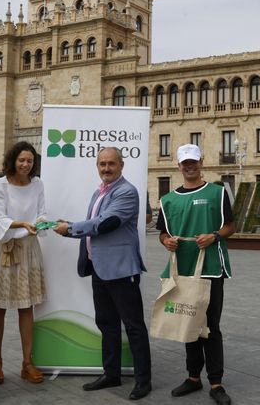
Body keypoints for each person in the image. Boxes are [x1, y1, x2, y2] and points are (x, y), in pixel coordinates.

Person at [53, 147, 151, 401]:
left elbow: (107, 223)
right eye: (102, 164)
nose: (106, 168)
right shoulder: (100, 191)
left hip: (121, 270)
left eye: (111, 164)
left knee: (134, 327)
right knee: (107, 325)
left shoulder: (127, 192)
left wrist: (71, 228)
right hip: (100, 269)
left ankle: (143, 380)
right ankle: (112, 373)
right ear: (97, 166)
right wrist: (69, 224)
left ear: (121, 165)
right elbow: (96, 222)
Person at [158, 143, 234, 405]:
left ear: (201, 162)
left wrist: (214, 236)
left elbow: (230, 226)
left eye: (194, 161)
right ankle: (193, 377)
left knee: (211, 326)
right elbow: (163, 232)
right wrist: (166, 241)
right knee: (188, 322)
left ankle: (216, 382)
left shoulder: (217, 193)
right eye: (185, 163)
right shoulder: (167, 200)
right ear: (178, 166)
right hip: (183, 269)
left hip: (211, 268)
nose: (190, 166)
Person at [0, 142, 48, 385]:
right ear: (13, 160)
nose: (26, 164)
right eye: (22, 160)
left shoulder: (38, 183)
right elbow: (0, 218)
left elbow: (41, 211)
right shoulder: (0, 184)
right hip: (6, 248)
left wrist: (41, 223)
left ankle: (27, 363)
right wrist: (23, 225)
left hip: (30, 247)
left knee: (26, 306)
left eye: (30, 161)